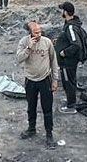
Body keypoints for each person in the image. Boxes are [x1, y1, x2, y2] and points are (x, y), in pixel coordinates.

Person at [16, 21, 58, 149]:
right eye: (36, 32)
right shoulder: (23, 42)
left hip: (45, 79)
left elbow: (53, 61)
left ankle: (49, 134)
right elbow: (19, 59)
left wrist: (55, 80)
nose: (39, 34)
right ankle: (31, 128)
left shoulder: (47, 42)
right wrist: (28, 48)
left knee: (47, 108)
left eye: (40, 31)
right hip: (30, 80)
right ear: (30, 33)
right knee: (31, 106)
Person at [54, 2, 85, 115]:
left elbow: (76, 45)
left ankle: (71, 106)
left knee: (68, 82)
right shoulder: (69, 24)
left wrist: (64, 52)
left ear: (66, 12)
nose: (61, 12)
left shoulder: (71, 27)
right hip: (68, 62)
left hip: (68, 62)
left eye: (62, 10)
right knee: (70, 81)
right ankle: (70, 101)